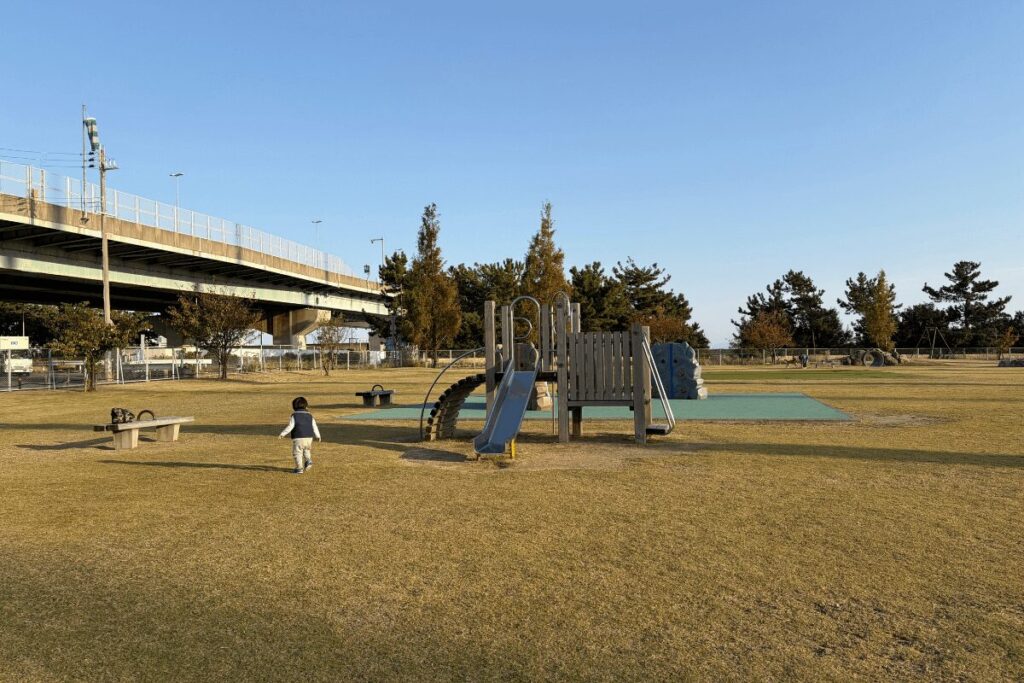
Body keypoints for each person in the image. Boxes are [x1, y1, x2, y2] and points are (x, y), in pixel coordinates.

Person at [278, 396, 321, 474]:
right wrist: (318, 436)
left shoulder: (294, 416)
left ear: (294, 407)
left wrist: (282, 434)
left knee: (297, 452)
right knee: (306, 450)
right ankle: (308, 461)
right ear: (306, 406)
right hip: (309, 437)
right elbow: (314, 426)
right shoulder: (310, 416)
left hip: (298, 437)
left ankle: (299, 468)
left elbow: (290, 426)